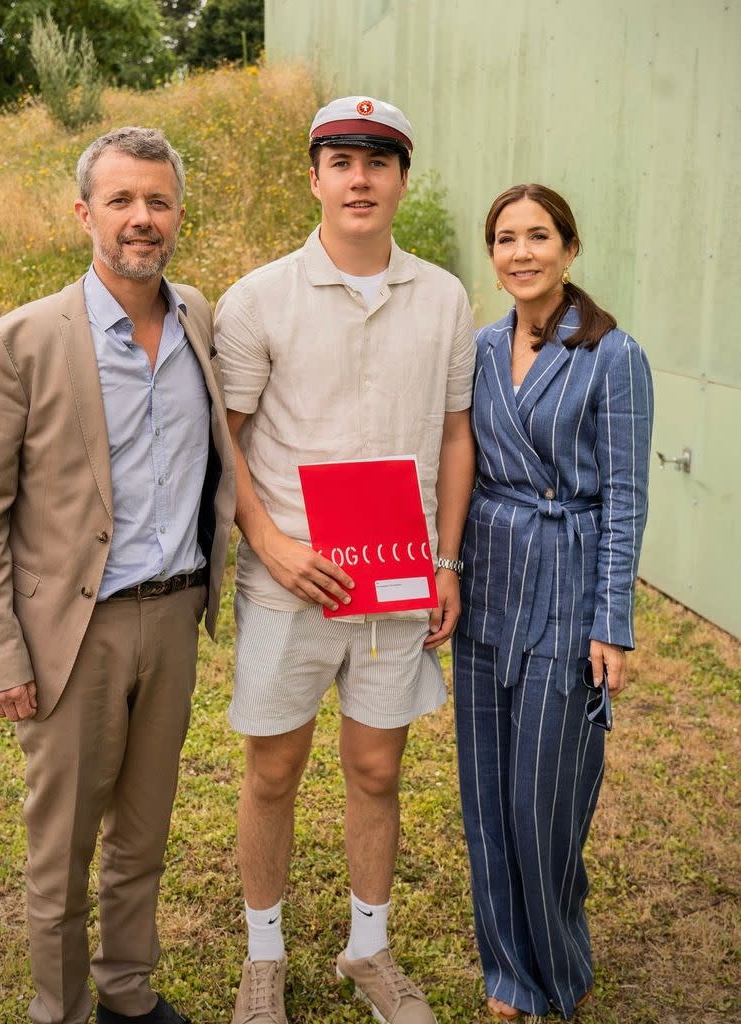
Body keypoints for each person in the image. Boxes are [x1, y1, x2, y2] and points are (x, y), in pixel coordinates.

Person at [0, 126, 235, 1024]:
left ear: (179, 213)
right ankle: (62, 1010)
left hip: (175, 616)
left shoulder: (198, 317)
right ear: (85, 214)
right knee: (61, 850)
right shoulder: (21, 342)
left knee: (144, 837)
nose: (141, 219)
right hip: (74, 635)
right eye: (121, 201)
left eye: (157, 201)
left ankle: (126, 993)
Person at [214, 96, 476, 1024]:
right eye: (341, 161)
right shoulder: (258, 298)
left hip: (398, 578)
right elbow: (227, 441)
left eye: (378, 160)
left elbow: (454, 435)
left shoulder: (444, 295)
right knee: (274, 774)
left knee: (376, 770)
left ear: (404, 178)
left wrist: (445, 561)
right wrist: (272, 543)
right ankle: (264, 959)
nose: (359, 178)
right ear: (314, 178)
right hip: (294, 581)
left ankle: (369, 952)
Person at [453, 183, 654, 1020]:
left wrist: (612, 621)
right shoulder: (477, 348)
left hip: (567, 587)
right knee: (485, 793)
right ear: (492, 256)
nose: (521, 252)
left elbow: (625, 496)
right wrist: (444, 568)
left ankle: (557, 970)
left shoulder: (614, 355)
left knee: (546, 799)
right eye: (506, 238)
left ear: (570, 249)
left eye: (539, 236)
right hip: (486, 578)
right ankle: (507, 972)